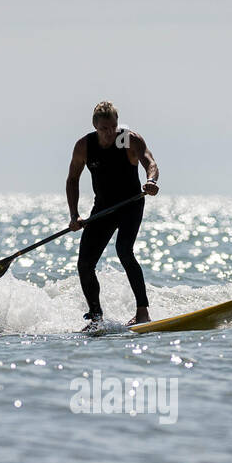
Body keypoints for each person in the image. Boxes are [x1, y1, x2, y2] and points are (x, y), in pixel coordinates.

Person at [65, 101, 160, 329]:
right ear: (95, 127)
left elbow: (150, 162)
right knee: (84, 264)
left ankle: (142, 312)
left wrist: (151, 180)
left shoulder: (128, 139)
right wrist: (75, 215)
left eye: (113, 127)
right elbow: (72, 180)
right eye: (104, 129)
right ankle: (96, 318)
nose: (109, 133)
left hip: (130, 204)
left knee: (124, 250)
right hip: (103, 208)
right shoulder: (84, 146)